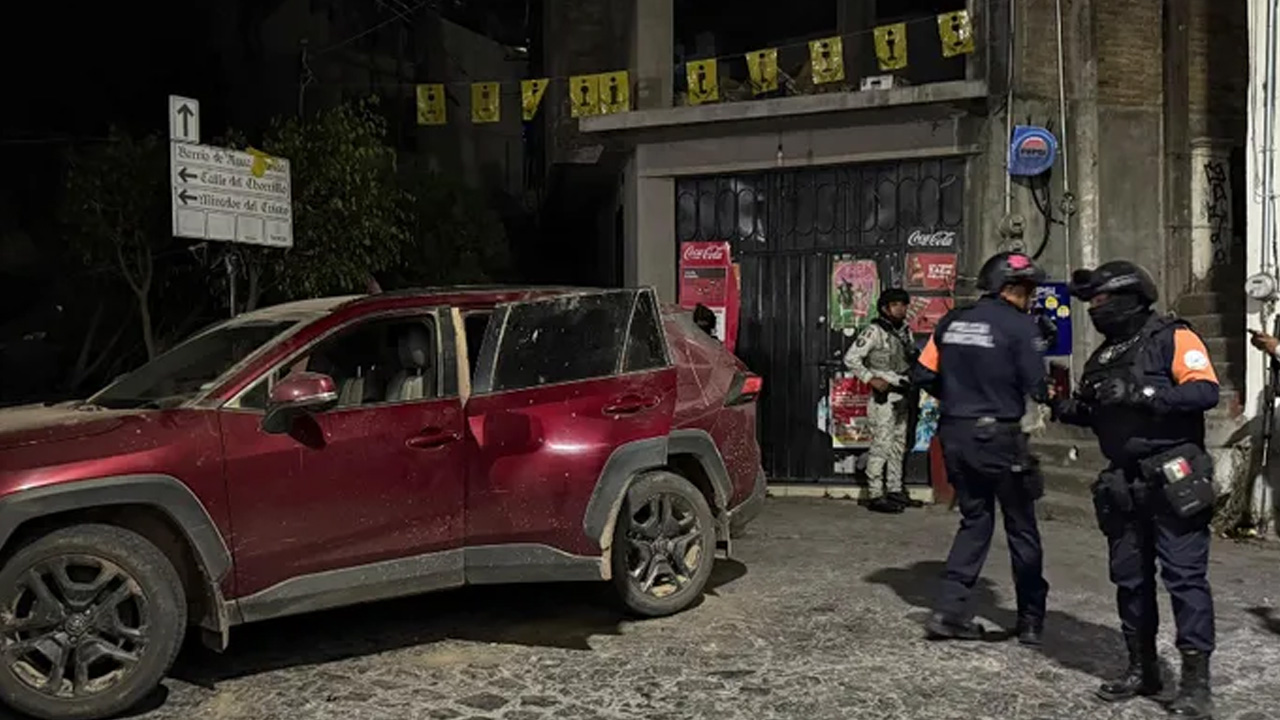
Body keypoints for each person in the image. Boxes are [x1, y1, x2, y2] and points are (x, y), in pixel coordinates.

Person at [1052, 261, 1218, 720]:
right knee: (1130, 579)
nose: (1095, 308)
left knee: (1184, 579)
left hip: (1173, 473)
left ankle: (1196, 684)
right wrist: (1064, 406)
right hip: (1123, 482)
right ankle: (1143, 669)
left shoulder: (1172, 337)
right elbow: (1098, 413)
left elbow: (1204, 392)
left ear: (1131, 297)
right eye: (1091, 302)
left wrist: (1141, 394)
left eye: (1103, 299)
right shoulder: (1103, 357)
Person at [911, 251, 1050, 645]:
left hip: (955, 433)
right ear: (1011, 288)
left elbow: (923, 373)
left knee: (975, 520)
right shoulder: (1020, 326)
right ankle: (1030, 619)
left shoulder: (951, 322)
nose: (1030, 298)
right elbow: (1037, 386)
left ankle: (948, 611)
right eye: (1028, 290)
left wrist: (959, 397)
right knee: (1021, 526)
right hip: (999, 437)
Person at [844, 287, 919, 513]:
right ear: (885, 308)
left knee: (898, 445)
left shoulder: (905, 332)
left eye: (903, 304)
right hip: (883, 399)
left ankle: (895, 490)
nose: (901, 309)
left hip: (902, 394)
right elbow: (851, 358)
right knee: (881, 445)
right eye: (895, 305)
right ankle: (875, 494)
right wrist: (871, 378)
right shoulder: (874, 331)